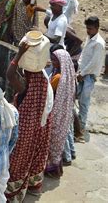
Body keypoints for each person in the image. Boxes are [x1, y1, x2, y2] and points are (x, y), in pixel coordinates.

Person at [5, 42, 53, 201]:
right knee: (34, 155)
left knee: (18, 161)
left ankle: (14, 194)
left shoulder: (28, 86)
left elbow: (10, 75)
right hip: (39, 128)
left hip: (24, 133)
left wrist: (19, 55)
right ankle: (33, 187)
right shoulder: (44, 81)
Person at [44, 49, 76, 179]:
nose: (53, 62)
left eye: (55, 60)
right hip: (65, 113)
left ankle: (54, 171)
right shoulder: (69, 76)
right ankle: (57, 169)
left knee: (52, 143)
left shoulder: (58, 77)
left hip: (57, 113)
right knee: (58, 143)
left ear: (62, 61)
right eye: (52, 59)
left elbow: (48, 92)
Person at [76, 16, 106, 142]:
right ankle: (76, 127)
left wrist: (82, 73)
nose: (88, 31)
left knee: (83, 103)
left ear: (97, 28)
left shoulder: (99, 43)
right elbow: (84, 55)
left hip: (88, 76)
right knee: (75, 98)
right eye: (87, 28)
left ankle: (80, 131)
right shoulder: (90, 38)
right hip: (82, 73)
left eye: (90, 29)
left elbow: (94, 63)